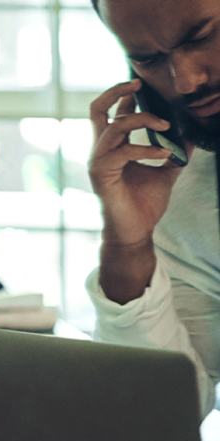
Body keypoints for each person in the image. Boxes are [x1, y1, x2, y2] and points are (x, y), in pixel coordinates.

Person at [87, 0, 220, 416]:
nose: (185, 82)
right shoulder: (186, 180)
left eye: (201, 37)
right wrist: (129, 245)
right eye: (147, 59)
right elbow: (162, 412)